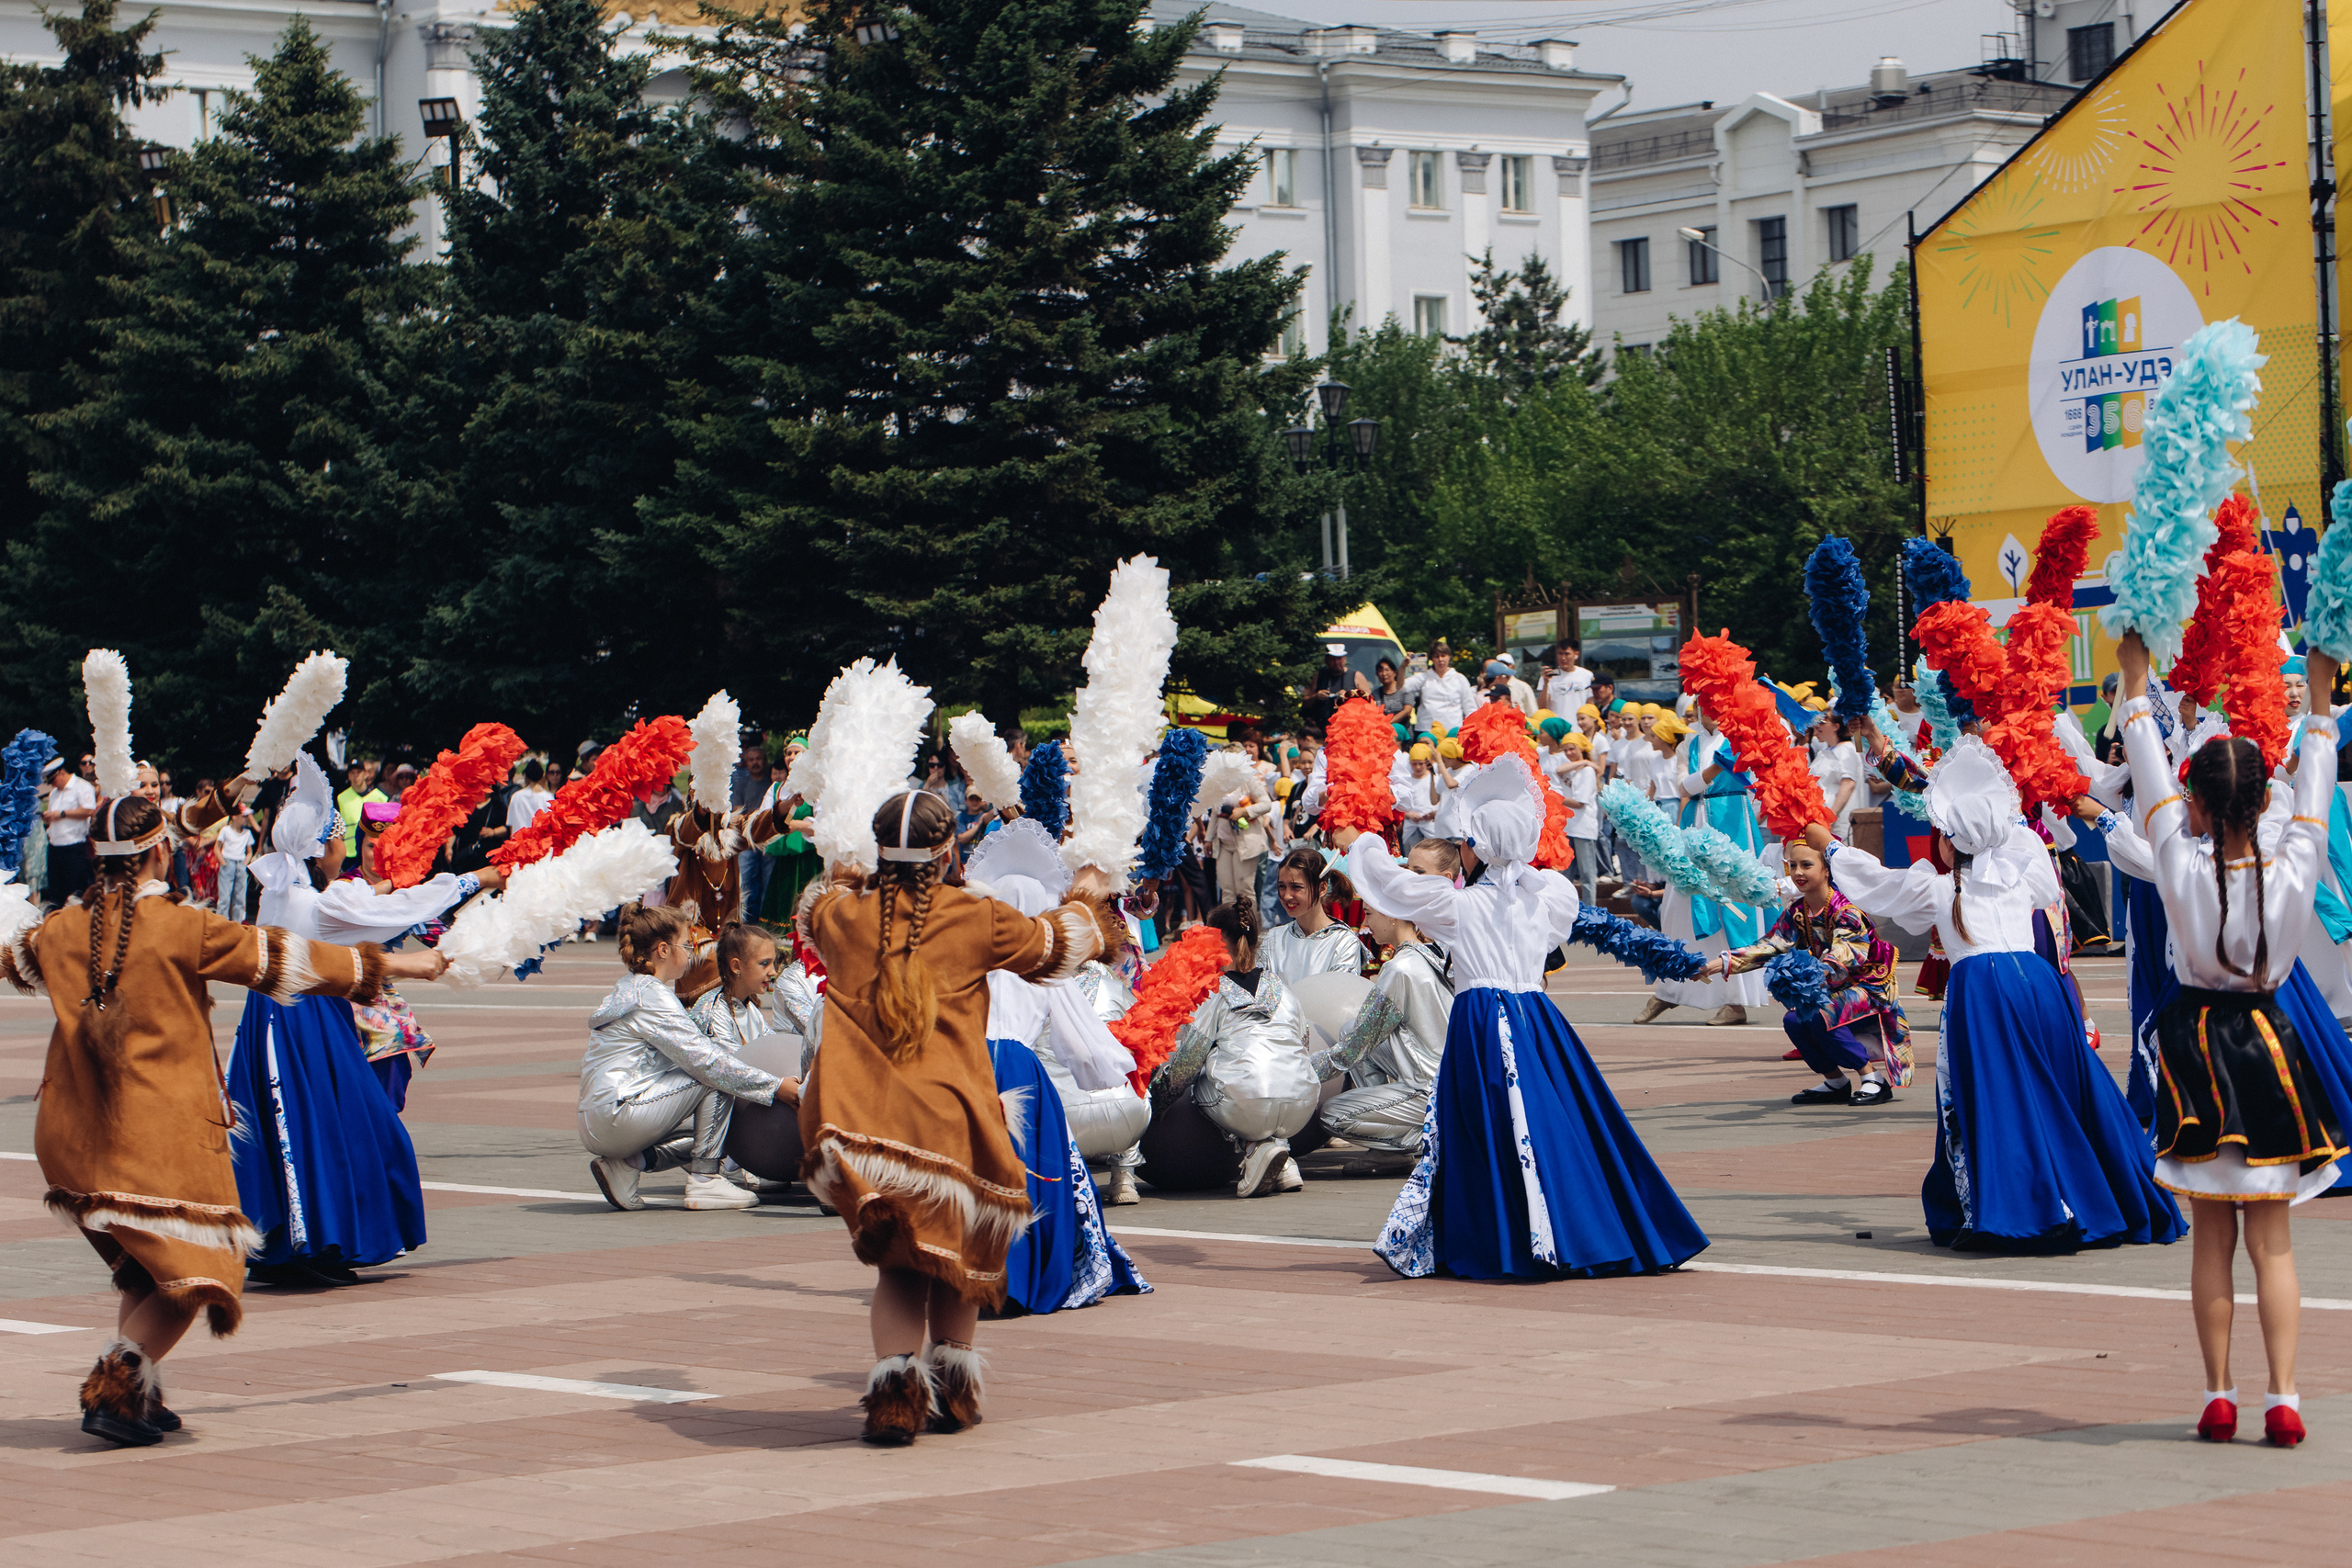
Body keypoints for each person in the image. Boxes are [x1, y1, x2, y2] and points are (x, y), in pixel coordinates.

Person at [5, 793, 447, 1447]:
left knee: (148, 1264)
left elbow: (12, 957)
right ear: (160, 852)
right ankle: (117, 1387)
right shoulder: (183, 926)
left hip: (72, 1136)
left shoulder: (61, 929)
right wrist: (401, 963)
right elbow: (286, 960)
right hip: (157, 1133)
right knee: (199, 1268)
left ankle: (142, 1388)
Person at [797, 790, 1103, 1445]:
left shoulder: (842, 916)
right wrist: (1087, 896)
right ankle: (955, 1392)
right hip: (952, 1118)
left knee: (900, 1267)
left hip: (869, 1128)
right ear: (946, 853)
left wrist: (848, 875)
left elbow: (815, 904)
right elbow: (1057, 947)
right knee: (960, 1257)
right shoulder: (976, 916)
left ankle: (894, 1401)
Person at [1333, 758, 1709, 1280]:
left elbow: (1388, 885)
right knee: (1555, 1123)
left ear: (1479, 847)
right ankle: (1581, 1228)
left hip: (1482, 1019)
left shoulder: (1458, 905)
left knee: (1486, 1125)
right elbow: (1548, 912)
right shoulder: (1546, 897)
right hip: (1536, 1018)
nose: (1463, 850)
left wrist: (1361, 841)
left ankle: (1509, 1240)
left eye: (1467, 841)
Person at [1810, 735, 2182, 1254]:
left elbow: (1878, 885)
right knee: (2061, 1090)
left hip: (1984, 992)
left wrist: (1828, 845)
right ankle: (2094, 1197)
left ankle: (2031, 1208)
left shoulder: (1939, 887)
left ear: (1949, 842)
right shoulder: (2019, 872)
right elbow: (2035, 867)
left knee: (1996, 1097)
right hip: (2041, 986)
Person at [2115, 631, 2346, 1448]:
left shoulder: (2178, 861)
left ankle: (2219, 1395)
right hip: (2266, 1038)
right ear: (2260, 800)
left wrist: (2135, 682)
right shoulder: (2294, 859)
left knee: (2212, 1235)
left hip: (2195, 1043)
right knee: (2272, 1242)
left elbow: (2148, 769)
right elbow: (2314, 788)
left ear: (2202, 805)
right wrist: (2321, 699)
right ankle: (2284, 1398)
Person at [230, 756, 496, 1285]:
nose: (346, 849)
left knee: (289, 1129)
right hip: (309, 1023)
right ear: (322, 849)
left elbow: (369, 900)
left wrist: (390, 887)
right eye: (339, 839)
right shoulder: (320, 905)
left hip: (269, 1020)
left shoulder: (279, 891)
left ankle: (290, 1244)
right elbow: (397, 910)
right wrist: (479, 878)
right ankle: (316, 1245)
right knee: (339, 1128)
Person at [581, 904, 778, 1212]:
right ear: (663, 950)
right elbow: (708, 1063)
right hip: (618, 1114)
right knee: (716, 1074)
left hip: (603, 1118)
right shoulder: (652, 996)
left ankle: (626, 1166)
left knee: (719, 1118)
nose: (691, 953)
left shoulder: (635, 989)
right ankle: (705, 1179)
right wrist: (776, 1087)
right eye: (687, 945)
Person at [1139, 897, 1317, 1199]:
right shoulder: (1284, 989)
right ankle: (1283, 1157)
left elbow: (1187, 1066)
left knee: (1201, 1079)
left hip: (1249, 1105)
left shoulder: (1214, 991)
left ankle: (1254, 1147)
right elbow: (1304, 1047)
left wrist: (1154, 1103)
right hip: (1302, 1106)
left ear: (1214, 942)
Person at [1717, 837, 1912, 1106]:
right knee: (1794, 1020)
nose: (1798, 872)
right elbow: (1771, 945)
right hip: (1833, 986)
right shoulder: (1798, 911)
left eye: (1807, 865)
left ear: (1827, 870)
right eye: (1793, 866)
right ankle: (1835, 1082)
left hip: (1870, 987)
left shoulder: (1847, 910)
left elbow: (1846, 952)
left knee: (1819, 1013)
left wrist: (1816, 974)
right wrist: (1717, 964)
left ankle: (1873, 1079)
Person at [1296, 839, 1458, 1156]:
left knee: (1332, 1114)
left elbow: (1352, 1050)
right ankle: (1391, 1143)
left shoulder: (1400, 969)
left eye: (1370, 913)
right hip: (1446, 1077)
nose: (1366, 924)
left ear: (1392, 914)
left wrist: (1298, 1070)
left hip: (1429, 1090)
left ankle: (1430, 1140)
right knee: (1348, 1027)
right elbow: (1358, 1036)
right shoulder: (1429, 952)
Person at [1636, 708, 1778, 1025]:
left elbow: (1762, 780)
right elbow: (1684, 788)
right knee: (1677, 908)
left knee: (1733, 910)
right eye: (1702, 701)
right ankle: (1671, 988)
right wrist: (1716, 767)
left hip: (1734, 824)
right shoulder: (1690, 743)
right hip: (1695, 824)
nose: (1707, 709)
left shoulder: (1743, 736)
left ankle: (1735, 1002)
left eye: (1714, 701)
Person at [691, 921, 806, 1195]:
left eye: (773, 963)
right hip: (700, 1115)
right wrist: (778, 1087)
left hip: (745, 1113)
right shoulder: (712, 1011)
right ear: (736, 967)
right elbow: (728, 1072)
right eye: (765, 964)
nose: (773, 972)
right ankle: (709, 1168)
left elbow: (770, 1052)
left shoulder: (750, 1010)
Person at [1260, 843, 1367, 983]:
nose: (1286, 896)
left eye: (1296, 887)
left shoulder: (1343, 942)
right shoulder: (1272, 938)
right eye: (1282, 886)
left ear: (1322, 888)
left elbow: (1339, 992)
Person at [40, 756, 96, 908]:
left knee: (74, 893)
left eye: (53, 780)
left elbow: (88, 810)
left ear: (61, 773)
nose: (52, 785)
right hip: (55, 846)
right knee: (56, 894)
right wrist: (49, 817)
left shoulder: (81, 786)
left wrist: (62, 814)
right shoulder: (54, 793)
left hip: (73, 846)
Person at [733, 740, 776, 922]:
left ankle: (765, 921)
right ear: (746, 762)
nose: (755, 762)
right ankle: (743, 922)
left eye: (758, 759)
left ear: (764, 760)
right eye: (751, 760)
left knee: (769, 881)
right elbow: (737, 812)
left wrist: (754, 814)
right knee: (744, 882)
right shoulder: (741, 784)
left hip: (770, 839)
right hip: (747, 841)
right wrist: (757, 815)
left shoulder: (771, 782)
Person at [1403, 640, 1478, 739]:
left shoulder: (1459, 678)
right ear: (1432, 659)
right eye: (1436, 656)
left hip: (1453, 731)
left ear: (1449, 657)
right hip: (1427, 730)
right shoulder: (1424, 677)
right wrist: (1403, 666)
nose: (1440, 660)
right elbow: (1402, 687)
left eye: (1443, 656)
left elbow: (1469, 707)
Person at [215, 808, 255, 922]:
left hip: (240, 863)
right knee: (224, 897)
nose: (246, 819)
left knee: (240, 897)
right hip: (228, 862)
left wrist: (244, 863)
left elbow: (249, 851)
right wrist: (223, 862)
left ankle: (238, 922)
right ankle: (221, 922)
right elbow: (217, 848)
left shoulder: (247, 833)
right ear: (234, 816)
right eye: (243, 816)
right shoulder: (225, 830)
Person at [506, 759, 552, 834]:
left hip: (519, 838)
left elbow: (511, 824)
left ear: (526, 776)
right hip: (538, 839)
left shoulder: (516, 796)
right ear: (542, 775)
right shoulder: (548, 797)